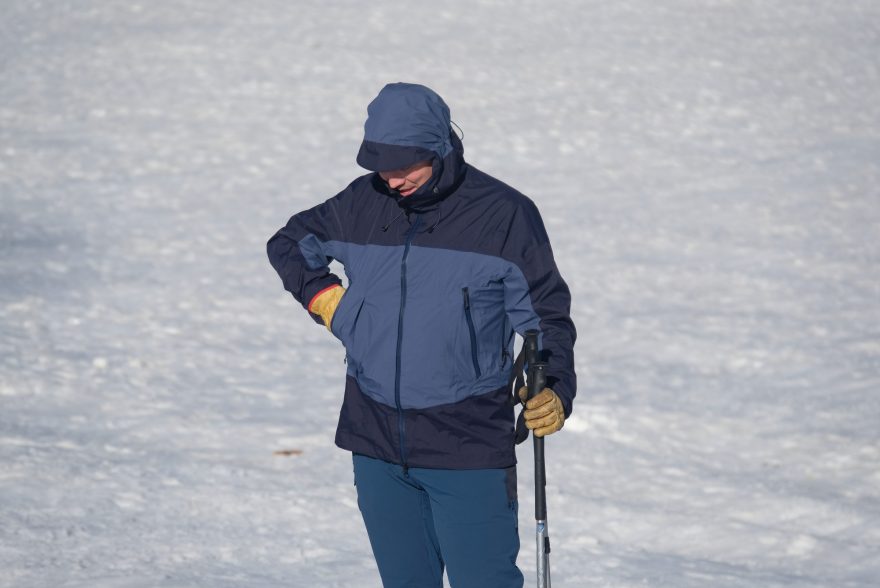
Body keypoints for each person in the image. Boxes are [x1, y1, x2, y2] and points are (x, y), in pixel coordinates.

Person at [267, 83, 576, 588]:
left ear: (440, 147)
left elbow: (545, 316)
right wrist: (331, 304)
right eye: (381, 165)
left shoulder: (503, 215)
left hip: (467, 442)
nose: (392, 179)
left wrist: (555, 386)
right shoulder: (361, 203)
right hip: (375, 439)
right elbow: (289, 242)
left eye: (406, 164)